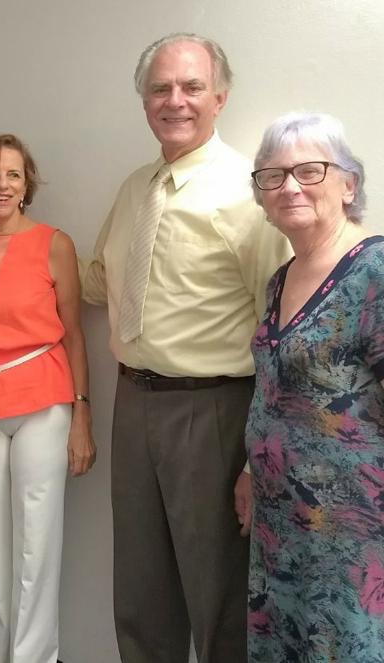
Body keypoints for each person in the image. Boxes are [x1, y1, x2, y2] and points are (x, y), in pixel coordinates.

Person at [79, 33, 292, 662]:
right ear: (144, 101)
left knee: (218, 590)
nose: (176, 100)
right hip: (134, 402)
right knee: (140, 588)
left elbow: (279, 328)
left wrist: (257, 454)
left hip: (215, 410)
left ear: (219, 97)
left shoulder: (249, 195)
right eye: (161, 88)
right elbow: (100, 279)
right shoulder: (133, 189)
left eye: (191, 86)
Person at [0, 134, 95, 663]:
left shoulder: (55, 243)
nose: (2, 183)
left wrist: (82, 417)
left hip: (43, 401)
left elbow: (75, 334)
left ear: (27, 183)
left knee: (36, 545)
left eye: (13, 174)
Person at [243, 112, 384, 661]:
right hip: (281, 520)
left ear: (349, 183)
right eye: (273, 176)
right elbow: (274, 387)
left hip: (351, 527)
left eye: (310, 170)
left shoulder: (374, 269)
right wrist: (250, 467)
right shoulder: (283, 277)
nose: (290, 186)